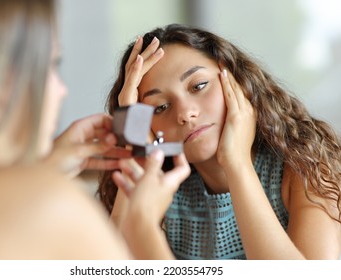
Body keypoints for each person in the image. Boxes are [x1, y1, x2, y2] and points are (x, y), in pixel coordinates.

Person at [0, 1, 190, 259]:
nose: (62, 90)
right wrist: (143, 223)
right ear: (4, 82)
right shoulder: (52, 204)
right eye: (52, 65)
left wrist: (47, 167)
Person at [98, 23, 341, 259]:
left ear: (236, 81)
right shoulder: (164, 191)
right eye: (160, 107)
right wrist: (133, 137)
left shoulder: (307, 166)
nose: (185, 114)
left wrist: (237, 163)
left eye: (199, 86)